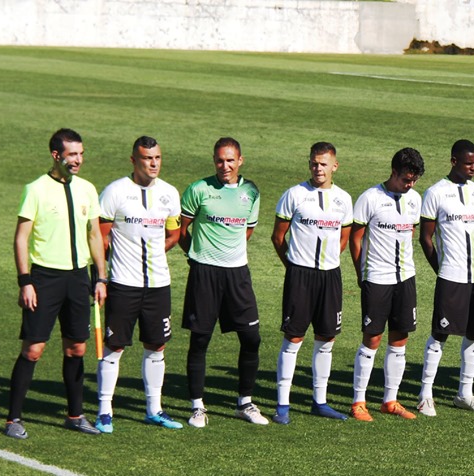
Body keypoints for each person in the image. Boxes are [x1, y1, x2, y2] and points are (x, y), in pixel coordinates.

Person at [6, 128, 107, 439]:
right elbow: (21, 239)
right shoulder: (35, 189)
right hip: (45, 279)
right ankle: (13, 419)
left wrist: (101, 277)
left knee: (77, 348)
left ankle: (75, 415)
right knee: (34, 349)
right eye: (72, 154)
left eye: (80, 154)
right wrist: (26, 282)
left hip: (78, 279)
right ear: (56, 155)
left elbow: (94, 236)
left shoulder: (88, 189)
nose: (78, 160)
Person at [94, 136, 184, 433]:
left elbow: (174, 233)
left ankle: (154, 409)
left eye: (157, 157)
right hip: (123, 283)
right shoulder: (115, 192)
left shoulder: (170, 194)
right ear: (134, 160)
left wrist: (155, 254)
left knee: (156, 345)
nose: (154, 163)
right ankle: (105, 410)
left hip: (159, 284)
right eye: (147, 158)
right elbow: (100, 238)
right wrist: (102, 276)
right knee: (115, 345)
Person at [180, 137, 266, 428]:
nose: (224, 165)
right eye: (219, 160)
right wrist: (196, 257)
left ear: (240, 160)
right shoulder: (199, 189)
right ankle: (197, 406)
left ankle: (245, 402)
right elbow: (182, 230)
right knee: (200, 338)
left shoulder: (251, 191)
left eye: (230, 160)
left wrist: (231, 255)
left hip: (237, 274)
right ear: (214, 160)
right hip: (204, 273)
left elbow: (247, 231)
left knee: (251, 338)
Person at [272, 142, 353, 423]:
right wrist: (293, 266)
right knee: (294, 337)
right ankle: (282, 403)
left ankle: (320, 401)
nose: (318, 168)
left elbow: (344, 237)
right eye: (314, 163)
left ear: (334, 166)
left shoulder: (344, 198)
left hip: (330, 276)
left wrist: (327, 261)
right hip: (300, 276)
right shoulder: (294, 195)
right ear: (309, 164)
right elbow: (278, 237)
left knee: (326, 338)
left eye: (324, 163)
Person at [348, 148, 426, 422]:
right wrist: (362, 274)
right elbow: (355, 240)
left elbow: (411, 233)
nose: (410, 184)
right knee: (372, 339)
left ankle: (389, 400)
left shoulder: (415, 200)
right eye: (406, 179)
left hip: (405, 277)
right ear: (393, 172)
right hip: (377, 278)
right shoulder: (370, 198)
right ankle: (359, 401)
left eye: (414, 180)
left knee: (400, 339)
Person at [416, 139, 474, 416]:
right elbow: (425, 238)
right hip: (452, 275)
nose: (473, 168)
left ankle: (465, 393)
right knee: (441, 332)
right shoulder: (435, 193)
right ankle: (425, 394)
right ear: (453, 161)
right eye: (468, 163)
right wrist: (443, 269)